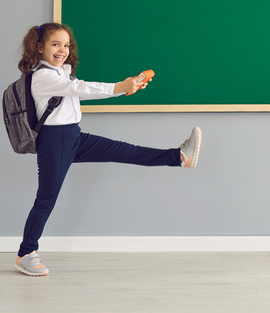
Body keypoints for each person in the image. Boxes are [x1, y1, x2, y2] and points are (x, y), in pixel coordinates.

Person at [13, 22, 201, 277]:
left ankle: (179, 157)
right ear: (39, 46)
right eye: (55, 44)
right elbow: (81, 89)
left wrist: (129, 84)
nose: (62, 50)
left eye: (66, 45)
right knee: (46, 199)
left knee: (124, 150)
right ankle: (26, 254)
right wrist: (119, 87)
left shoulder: (59, 73)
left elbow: (74, 89)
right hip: (54, 142)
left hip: (73, 136)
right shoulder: (43, 76)